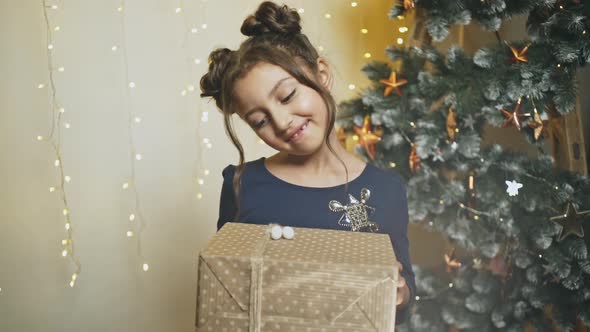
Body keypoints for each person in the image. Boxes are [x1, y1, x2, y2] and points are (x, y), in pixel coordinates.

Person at [199, 1, 415, 324]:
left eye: (287, 96)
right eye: (260, 121)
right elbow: (226, 291)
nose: (283, 121)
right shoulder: (242, 185)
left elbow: (405, 296)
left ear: (322, 75)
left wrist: (400, 291)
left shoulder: (386, 190)